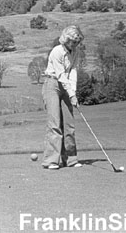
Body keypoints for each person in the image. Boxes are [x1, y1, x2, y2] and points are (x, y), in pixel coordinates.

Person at [41, 25, 84, 170]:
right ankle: (51, 161)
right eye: (73, 41)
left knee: (69, 125)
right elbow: (60, 74)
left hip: (66, 86)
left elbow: (73, 71)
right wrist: (71, 94)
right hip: (52, 83)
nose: (75, 44)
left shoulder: (75, 52)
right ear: (66, 39)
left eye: (77, 42)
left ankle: (70, 159)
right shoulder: (57, 51)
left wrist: (73, 92)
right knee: (55, 123)